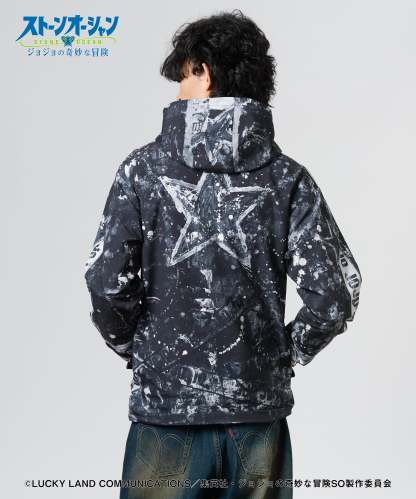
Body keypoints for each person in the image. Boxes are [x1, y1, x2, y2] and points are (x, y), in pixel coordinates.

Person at [84, 9, 362, 499]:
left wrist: (137, 348)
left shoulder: (140, 171)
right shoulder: (288, 179)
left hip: (166, 414)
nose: (178, 92)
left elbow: (106, 283)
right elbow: (335, 296)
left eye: (182, 77)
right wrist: (283, 354)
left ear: (204, 72)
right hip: (257, 420)